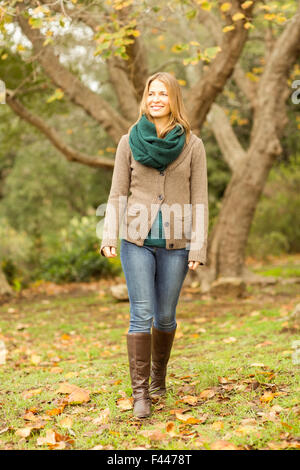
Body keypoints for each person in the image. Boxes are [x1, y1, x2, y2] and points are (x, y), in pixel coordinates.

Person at [99, 72, 209, 419]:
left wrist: (198, 247)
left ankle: (159, 378)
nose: (156, 99)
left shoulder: (193, 145)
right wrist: (109, 235)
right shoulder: (128, 141)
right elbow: (118, 192)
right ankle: (141, 393)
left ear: (173, 99)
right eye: (151, 93)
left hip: (177, 243)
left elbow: (200, 198)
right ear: (145, 99)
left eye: (163, 93)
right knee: (140, 315)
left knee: (164, 317)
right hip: (136, 241)